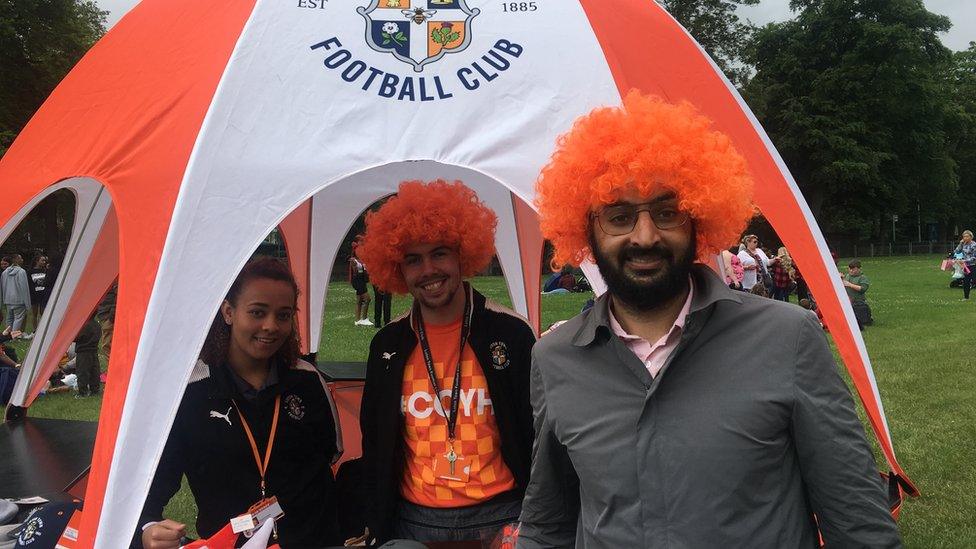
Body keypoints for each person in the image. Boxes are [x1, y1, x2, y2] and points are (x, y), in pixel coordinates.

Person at [519, 92, 900, 548]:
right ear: (585, 230)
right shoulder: (555, 359)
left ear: (699, 216)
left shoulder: (787, 338)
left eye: (667, 212)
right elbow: (548, 525)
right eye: (619, 216)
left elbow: (857, 521)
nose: (645, 236)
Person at [356, 180, 536, 546]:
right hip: (414, 523)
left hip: (502, 517)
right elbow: (375, 442)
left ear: (461, 254)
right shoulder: (387, 345)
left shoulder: (512, 334)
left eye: (439, 253)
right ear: (397, 268)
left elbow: (538, 435)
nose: (428, 270)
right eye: (413, 259)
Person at [135, 257, 343, 549]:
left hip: (311, 540)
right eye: (257, 312)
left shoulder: (307, 381)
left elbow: (329, 455)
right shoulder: (189, 392)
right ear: (229, 312)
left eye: (283, 315)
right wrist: (147, 529)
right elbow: (154, 484)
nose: (270, 326)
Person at [0, 254, 32, 332]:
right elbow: (24, 288)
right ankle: (14, 336)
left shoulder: (4, 273)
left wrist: (2, 300)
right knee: (18, 318)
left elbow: (2, 288)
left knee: (9, 318)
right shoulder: (21, 272)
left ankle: (7, 334)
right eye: (20, 258)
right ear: (16, 260)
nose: (22, 260)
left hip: (8, 300)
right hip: (19, 300)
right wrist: (28, 304)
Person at [73, 313, 102, 398]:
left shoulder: (83, 326)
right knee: (94, 371)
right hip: (93, 350)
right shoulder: (97, 325)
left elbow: (76, 337)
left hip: (83, 352)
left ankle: (83, 392)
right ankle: (95, 389)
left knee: (82, 372)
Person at [843, 259, 873, 329]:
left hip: (859, 302)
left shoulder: (862, 278)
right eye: (850, 269)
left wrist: (850, 285)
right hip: (849, 301)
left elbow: (863, 289)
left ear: (859, 269)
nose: (851, 271)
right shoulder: (847, 276)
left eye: (854, 269)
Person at [349, 245, 373, 326]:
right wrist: (356, 266)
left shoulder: (362, 260)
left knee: (359, 301)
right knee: (367, 299)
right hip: (358, 281)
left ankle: (357, 320)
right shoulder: (354, 260)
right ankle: (364, 318)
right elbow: (355, 271)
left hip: (362, 280)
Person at [28, 255, 51, 332]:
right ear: (37, 261)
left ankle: (43, 329)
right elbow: (29, 284)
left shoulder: (45, 271)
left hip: (43, 294)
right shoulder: (30, 271)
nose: (44, 262)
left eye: (45, 261)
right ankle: (35, 329)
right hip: (34, 295)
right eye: (42, 260)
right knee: (34, 313)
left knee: (43, 312)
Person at [953, 230, 976, 299]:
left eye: (967, 236)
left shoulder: (974, 245)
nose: (965, 238)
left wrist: (965, 261)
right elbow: (956, 251)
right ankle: (966, 297)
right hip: (966, 266)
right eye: (964, 236)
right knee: (966, 281)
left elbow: (974, 257)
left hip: (973, 265)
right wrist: (960, 244)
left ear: (971, 237)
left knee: (974, 281)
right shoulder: (963, 244)